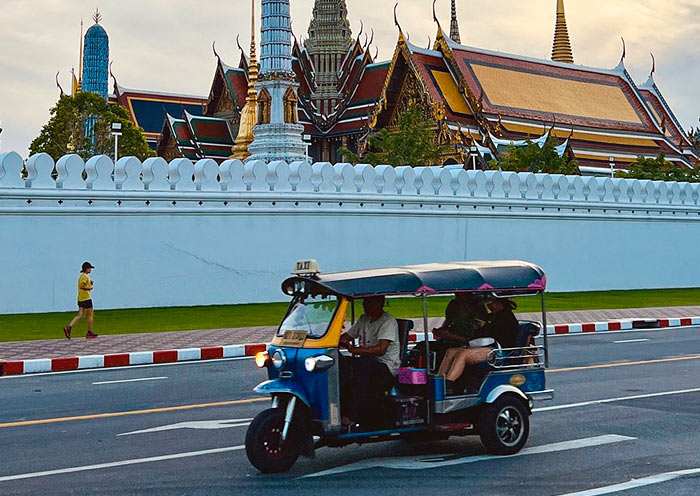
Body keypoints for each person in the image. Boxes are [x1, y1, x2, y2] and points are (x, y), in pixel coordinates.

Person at [339, 295, 400, 425]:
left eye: (370, 303)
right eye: (365, 302)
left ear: (380, 304)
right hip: (367, 363)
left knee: (364, 365)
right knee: (342, 363)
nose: (365, 305)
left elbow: (381, 349)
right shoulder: (363, 319)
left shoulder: (388, 322)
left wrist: (356, 350)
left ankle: (352, 415)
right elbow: (347, 336)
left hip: (385, 367)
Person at [437, 298, 519, 386]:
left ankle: (448, 383)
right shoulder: (493, 316)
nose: (490, 307)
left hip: (500, 350)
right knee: (451, 351)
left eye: (492, 304)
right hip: (488, 346)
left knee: (463, 354)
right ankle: (438, 380)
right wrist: (479, 328)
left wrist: (485, 326)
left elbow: (499, 337)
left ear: (500, 303)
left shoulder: (506, 317)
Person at [63, 262, 99, 339]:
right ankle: (89, 332)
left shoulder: (82, 276)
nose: (90, 270)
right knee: (90, 315)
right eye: (89, 268)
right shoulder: (85, 277)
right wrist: (90, 288)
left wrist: (90, 284)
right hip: (86, 298)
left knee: (80, 315)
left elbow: (83, 286)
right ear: (86, 269)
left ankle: (69, 327)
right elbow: (82, 286)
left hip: (80, 298)